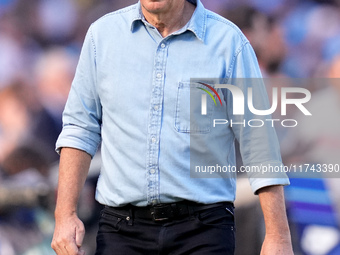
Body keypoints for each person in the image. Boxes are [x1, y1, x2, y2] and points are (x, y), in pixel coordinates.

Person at [51, 0, 293, 254]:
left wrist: (278, 235)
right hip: (121, 230)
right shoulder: (102, 37)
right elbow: (80, 128)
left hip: (203, 229)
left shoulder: (228, 42)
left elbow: (258, 140)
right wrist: (64, 214)